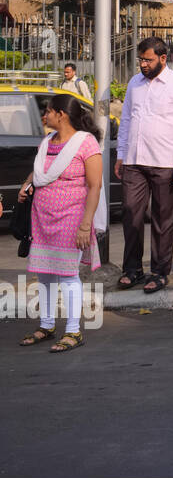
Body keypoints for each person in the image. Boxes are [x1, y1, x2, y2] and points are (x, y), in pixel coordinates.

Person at [16, 94, 105, 353]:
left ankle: (73, 331)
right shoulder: (47, 142)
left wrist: (85, 225)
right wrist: (27, 183)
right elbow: (40, 170)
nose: (45, 116)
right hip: (42, 218)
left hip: (71, 217)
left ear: (61, 115)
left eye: (48, 112)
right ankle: (46, 325)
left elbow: (95, 186)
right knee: (44, 274)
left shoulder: (86, 144)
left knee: (67, 275)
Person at [115, 37, 173, 294]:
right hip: (134, 161)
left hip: (165, 162)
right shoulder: (134, 84)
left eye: (148, 59)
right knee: (131, 213)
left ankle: (160, 272)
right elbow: (126, 119)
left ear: (163, 58)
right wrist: (121, 154)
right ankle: (132, 269)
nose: (143, 64)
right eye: (141, 59)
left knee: (163, 219)